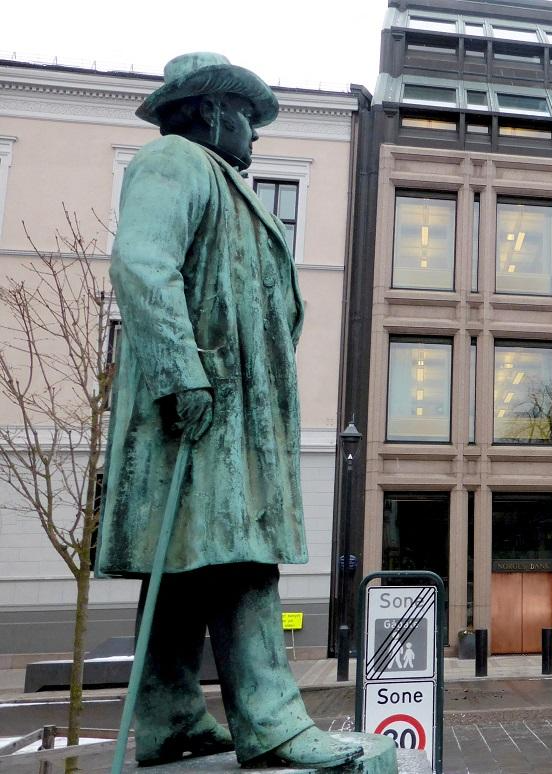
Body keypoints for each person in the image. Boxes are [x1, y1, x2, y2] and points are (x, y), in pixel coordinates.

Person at [96, 52, 361, 769]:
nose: (256, 131)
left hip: (232, 404)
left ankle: (171, 715)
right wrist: (181, 374)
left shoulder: (222, 182)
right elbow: (142, 263)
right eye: (246, 114)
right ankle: (272, 721)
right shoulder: (175, 161)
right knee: (242, 556)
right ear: (211, 111)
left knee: (185, 563)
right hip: (203, 405)